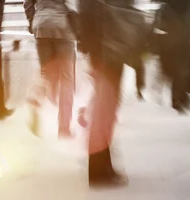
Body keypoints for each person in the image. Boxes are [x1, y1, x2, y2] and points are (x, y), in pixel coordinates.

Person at [78, 0, 151, 186]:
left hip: (105, 44)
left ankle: (102, 166)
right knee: (104, 111)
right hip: (108, 45)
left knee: (105, 109)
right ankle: (98, 170)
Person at [24, 0, 77, 138]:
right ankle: (64, 128)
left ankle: (35, 103)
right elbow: (74, 5)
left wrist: (32, 21)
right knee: (67, 79)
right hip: (63, 26)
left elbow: (27, 3)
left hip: (41, 25)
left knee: (46, 73)